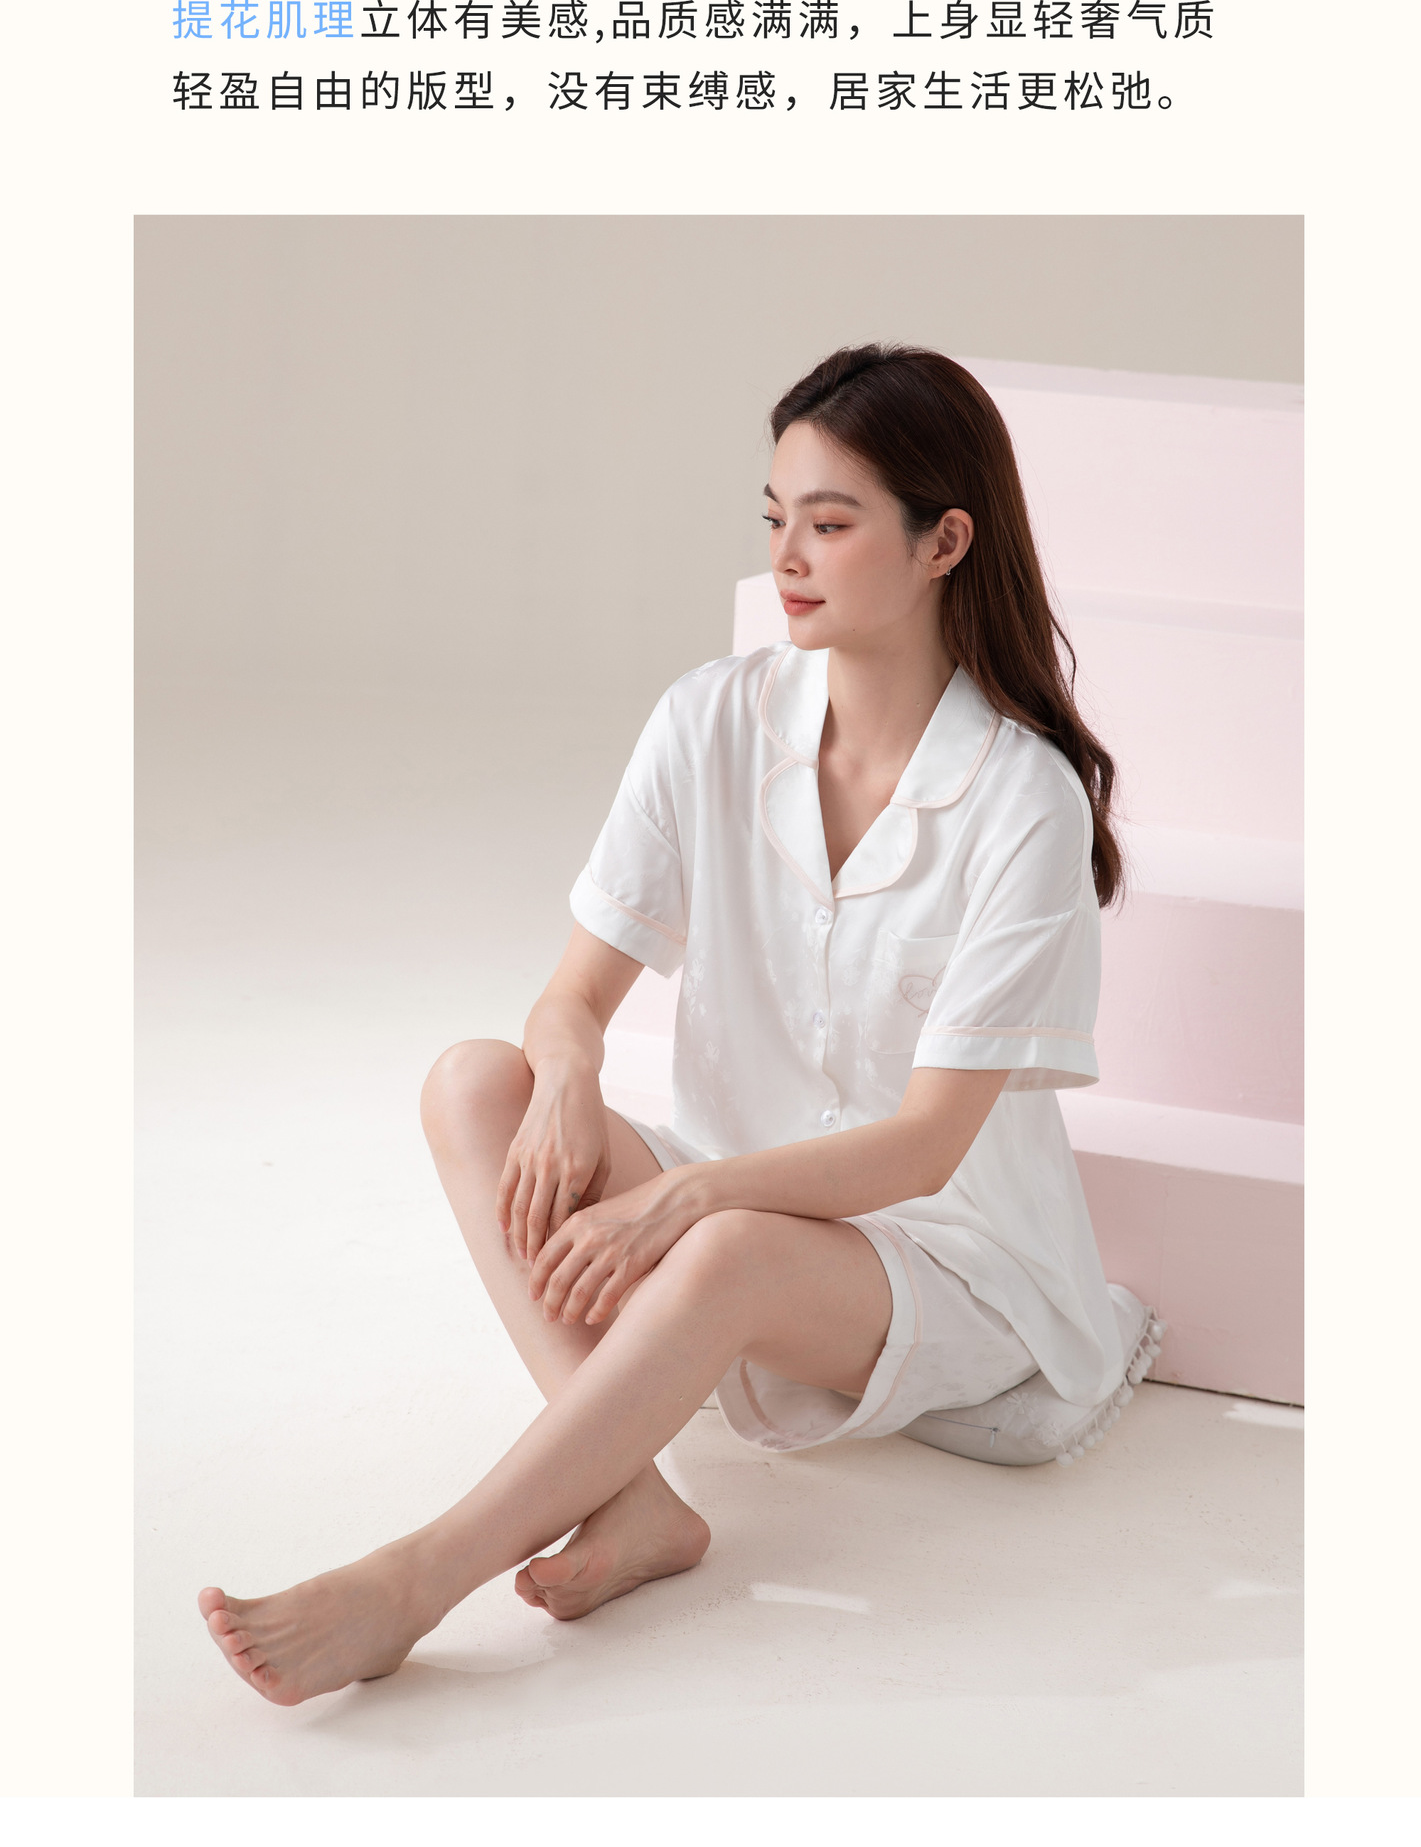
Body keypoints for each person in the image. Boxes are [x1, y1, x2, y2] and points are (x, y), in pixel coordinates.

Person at [199, 343, 1127, 1707]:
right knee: (474, 1085)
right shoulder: (712, 718)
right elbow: (571, 997)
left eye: (830, 523)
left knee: (725, 1247)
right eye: (775, 516)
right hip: (740, 1215)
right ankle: (632, 1498)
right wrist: (567, 1073)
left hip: (949, 1260)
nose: (788, 556)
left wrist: (682, 1199)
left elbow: (927, 1149)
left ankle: (418, 1580)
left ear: (943, 542)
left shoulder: (1020, 801)